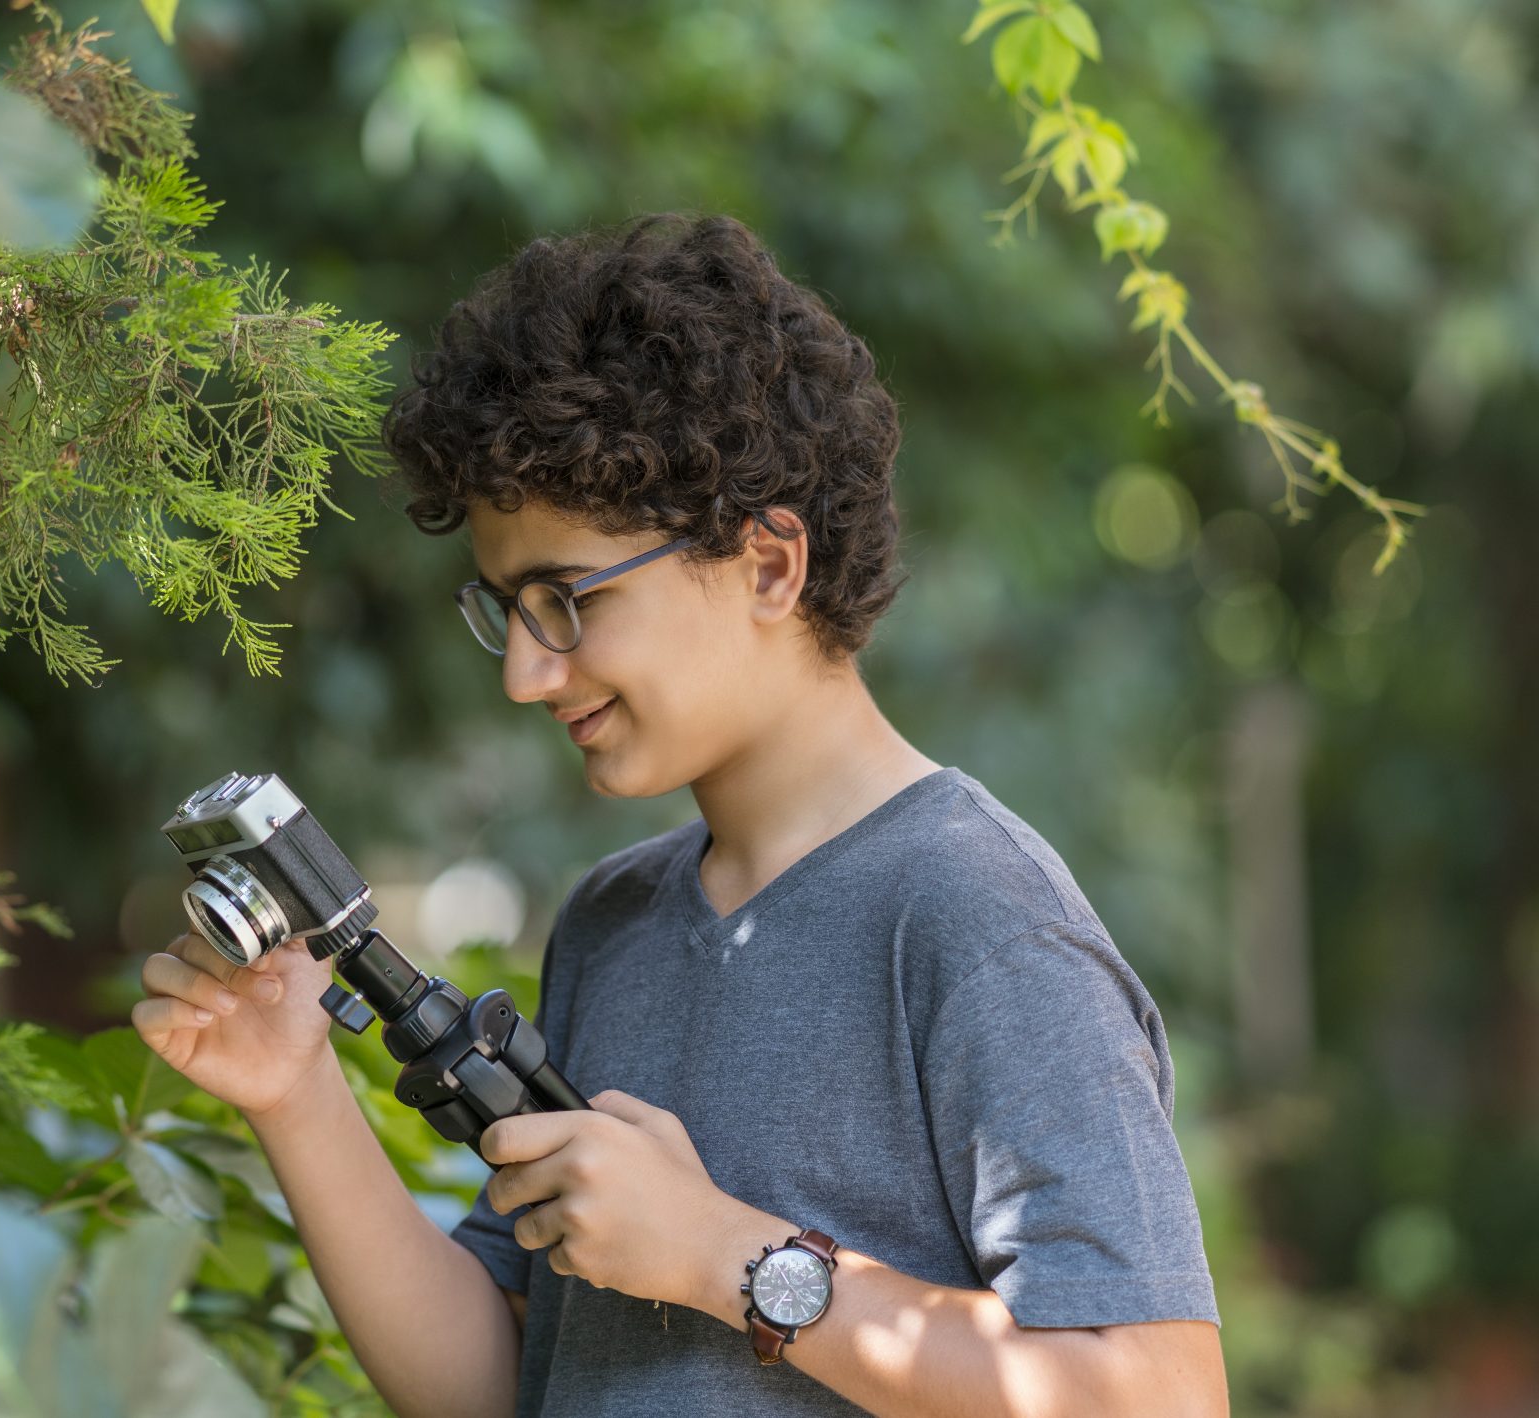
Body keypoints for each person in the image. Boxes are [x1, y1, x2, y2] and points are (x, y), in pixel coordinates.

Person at [133, 212, 1227, 1418]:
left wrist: (726, 1256)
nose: (525, 675)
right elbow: (504, 1379)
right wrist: (292, 1088)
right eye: (507, 609)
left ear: (768, 563)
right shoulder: (612, 920)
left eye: (565, 599)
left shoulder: (974, 913)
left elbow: (1155, 1392)